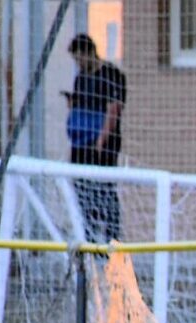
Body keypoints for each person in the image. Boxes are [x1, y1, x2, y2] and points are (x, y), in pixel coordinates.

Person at [65, 33, 125, 243]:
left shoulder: (111, 75)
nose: (79, 63)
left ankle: (111, 234)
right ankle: (88, 233)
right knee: (81, 186)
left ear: (90, 52)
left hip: (103, 143)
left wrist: (101, 140)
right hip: (81, 142)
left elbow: (113, 109)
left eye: (80, 57)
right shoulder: (80, 78)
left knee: (104, 185)